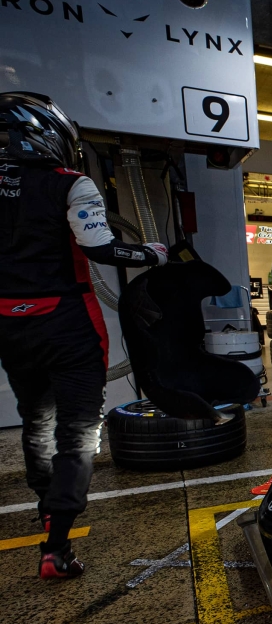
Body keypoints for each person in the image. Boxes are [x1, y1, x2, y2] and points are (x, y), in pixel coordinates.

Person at [0, 92, 168, 579]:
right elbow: (101, 249)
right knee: (77, 430)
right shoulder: (70, 183)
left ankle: (47, 512)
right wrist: (152, 254)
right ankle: (56, 548)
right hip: (67, 323)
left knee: (36, 420)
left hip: (9, 323)